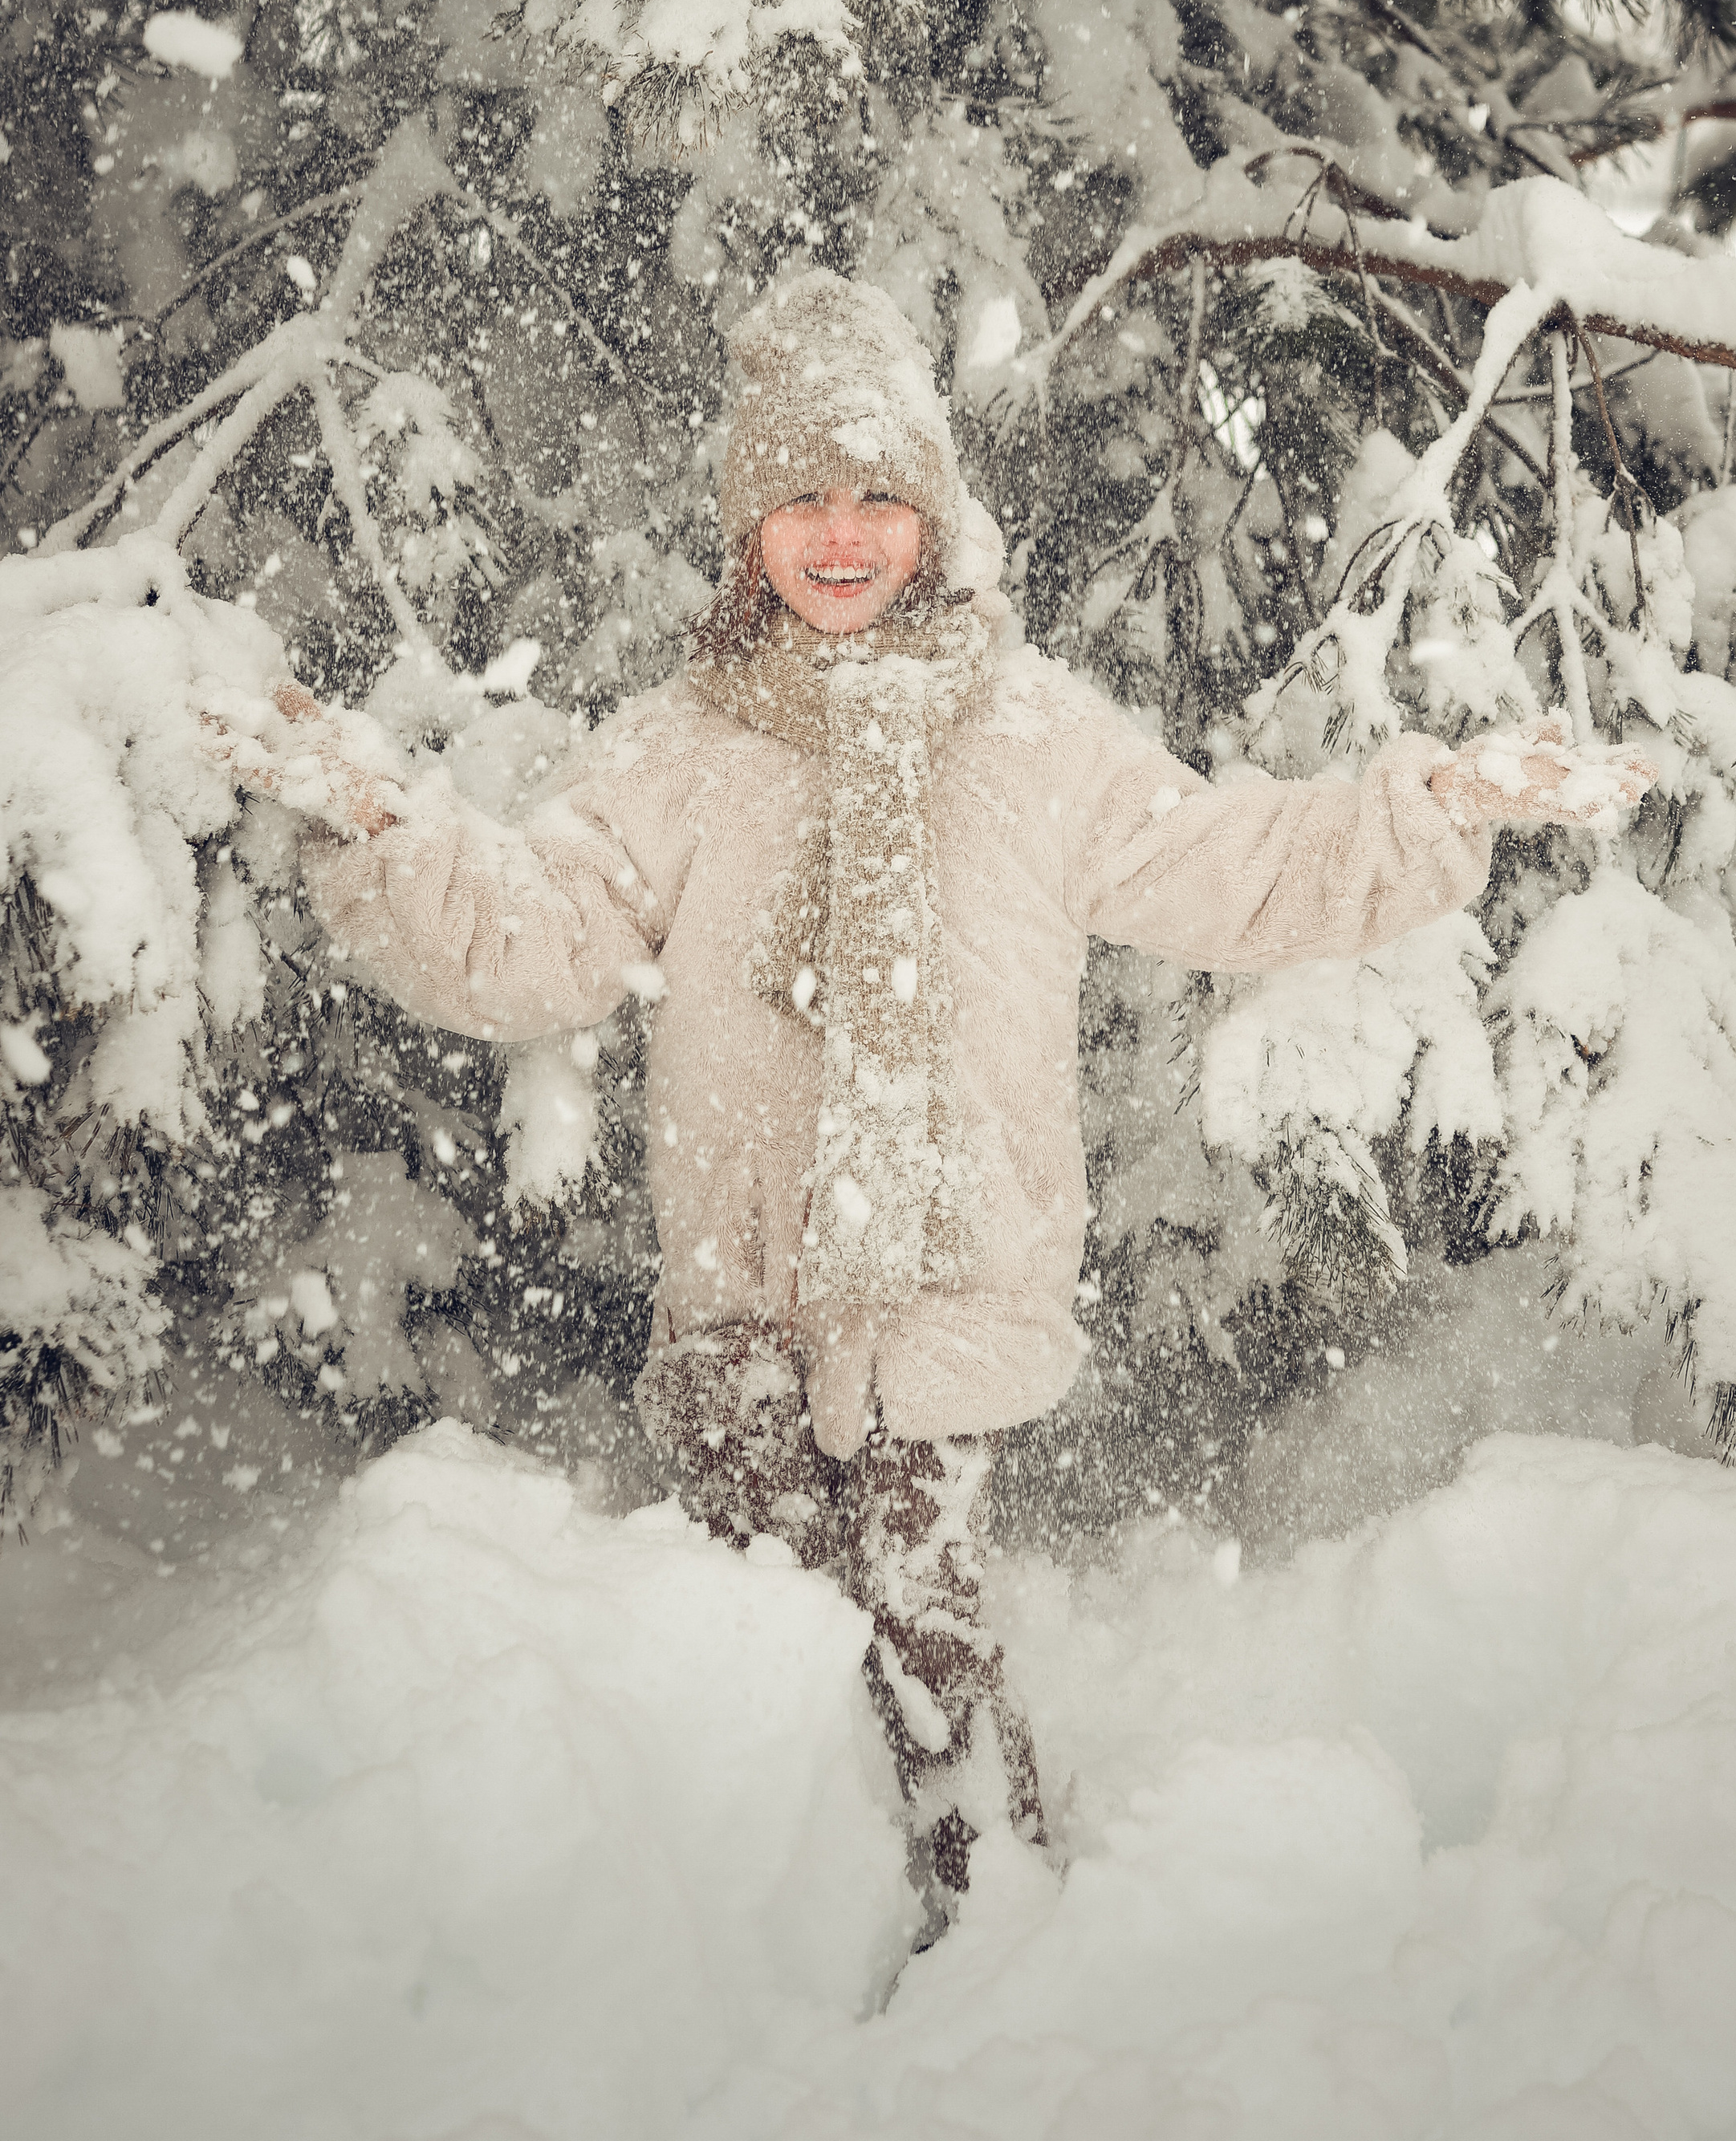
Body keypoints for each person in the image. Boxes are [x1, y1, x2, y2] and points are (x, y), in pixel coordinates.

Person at [208, 268, 1648, 1912]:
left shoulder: (1032, 737)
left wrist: (1433, 805)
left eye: (878, 496)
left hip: (947, 1277)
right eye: (801, 497)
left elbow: (1226, 863)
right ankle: (771, 1951)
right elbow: (540, 932)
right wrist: (390, 837)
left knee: (924, 1626)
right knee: (762, 1634)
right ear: (748, 522)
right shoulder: (682, 745)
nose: (840, 532)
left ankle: (986, 1920)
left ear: (931, 515)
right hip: (745, 1287)